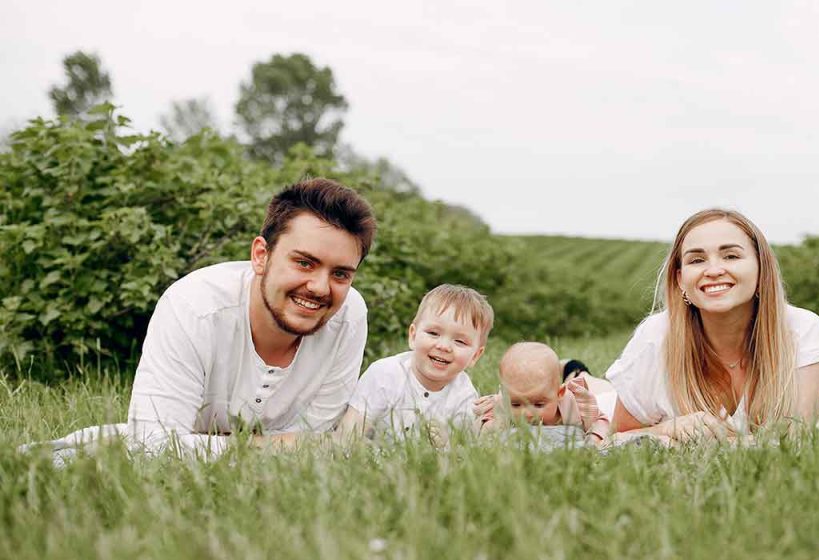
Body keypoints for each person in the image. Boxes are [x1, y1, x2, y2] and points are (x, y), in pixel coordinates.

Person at [26, 177, 376, 461]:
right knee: (63, 466)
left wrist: (195, 445)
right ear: (260, 255)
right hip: (151, 463)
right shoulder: (193, 305)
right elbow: (151, 446)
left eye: (341, 274)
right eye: (304, 262)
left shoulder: (349, 316)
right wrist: (273, 447)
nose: (319, 287)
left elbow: (315, 442)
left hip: (222, 476)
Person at [607, 208, 819, 442]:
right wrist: (669, 429)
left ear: (761, 269)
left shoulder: (802, 329)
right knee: (594, 400)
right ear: (680, 279)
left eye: (731, 256)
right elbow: (614, 439)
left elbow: (799, 440)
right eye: (697, 260)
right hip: (608, 405)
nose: (713, 270)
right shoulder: (656, 336)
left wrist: (720, 442)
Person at [335, 284, 492, 445]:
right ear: (413, 335)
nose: (443, 346)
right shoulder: (384, 375)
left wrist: (446, 445)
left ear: (475, 355)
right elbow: (348, 434)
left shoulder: (464, 396)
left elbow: (464, 453)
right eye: (433, 333)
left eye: (459, 341)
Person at [474, 342, 614, 446]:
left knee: (604, 391)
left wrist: (594, 440)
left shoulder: (576, 406)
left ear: (559, 393)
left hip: (594, 395)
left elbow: (600, 422)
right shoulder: (504, 405)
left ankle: (572, 368)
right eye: (516, 404)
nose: (527, 413)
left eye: (538, 404)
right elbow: (485, 433)